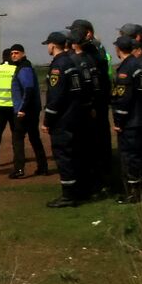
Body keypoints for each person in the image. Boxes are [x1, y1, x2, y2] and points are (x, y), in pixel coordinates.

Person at [69, 19, 115, 191]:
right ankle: (101, 177)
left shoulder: (93, 51)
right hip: (99, 98)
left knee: (95, 141)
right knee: (97, 140)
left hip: (96, 101)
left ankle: (98, 180)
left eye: (76, 32)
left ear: (88, 33)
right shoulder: (97, 49)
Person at [40, 31, 85, 207]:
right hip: (74, 116)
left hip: (62, 120)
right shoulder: (71, 63)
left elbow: (56, 97)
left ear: (52, 45)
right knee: (73, 154)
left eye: (48, 45)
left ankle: (68, 195)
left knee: (63, 156)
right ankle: (77, 191)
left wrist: (47, 120)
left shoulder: (59, 66)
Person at [111, 34, 142, 202]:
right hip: (140, 117)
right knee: (136, 155)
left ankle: (132, 193)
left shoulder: (126, 68)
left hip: (130, 120)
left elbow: (124, 98)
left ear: (118, 49)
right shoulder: (138, 65)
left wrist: (119, 122)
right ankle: (136, 189)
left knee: (130, 157)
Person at [7, 44, 49, 178]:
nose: (14, 55)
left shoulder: (24, 68)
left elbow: (28, 89)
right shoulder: (23, 67)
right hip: (30, 109)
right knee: (34, 138)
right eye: (12, 53)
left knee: (18, 139)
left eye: (16, 53)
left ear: (23, 54)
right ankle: (42, 166)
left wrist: (22, 109)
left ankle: (19, 169)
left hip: (24, 111)